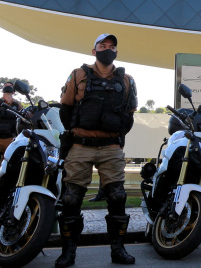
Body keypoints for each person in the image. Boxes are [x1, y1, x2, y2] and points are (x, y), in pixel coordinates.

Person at [56, 33, 138, 267]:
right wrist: (77, 132)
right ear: (94, 51)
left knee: (117, 196)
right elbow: (65, 109)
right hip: (80, 145)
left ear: (116, 52)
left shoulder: (127, 80)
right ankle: (68, 253)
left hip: (111, 146)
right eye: (102, 46)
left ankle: (118, 250)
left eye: (112, 46)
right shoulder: (78, 75)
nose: (107, 49)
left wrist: (115, 135)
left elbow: (129, 115)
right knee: (71, 198)